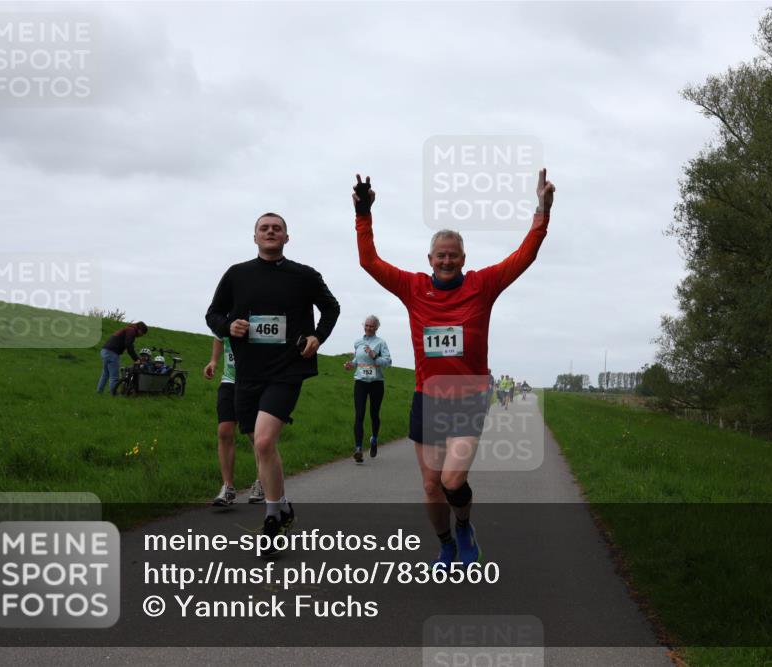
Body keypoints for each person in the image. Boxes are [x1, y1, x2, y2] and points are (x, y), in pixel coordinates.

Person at [354, 168, 555, 567]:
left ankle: (464, 526)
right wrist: (363, 213)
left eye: (454, 255)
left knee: (451, 480)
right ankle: (446, 543)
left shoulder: (483, 284)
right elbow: (368, 261)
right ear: (430, 259)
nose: (447, 260)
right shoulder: (412, 287)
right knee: (430, 486)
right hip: (427, 398)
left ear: (464, 259)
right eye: (440, 255)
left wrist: (541, 211)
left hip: (468, 398)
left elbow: (525, 254)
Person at [206, 212, 340, 549]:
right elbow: (213, 314)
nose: (270, 232)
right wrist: (227, 327)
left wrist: (317, 337)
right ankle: (282, 506)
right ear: (255, 238)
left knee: (264, 442)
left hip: (287, 369)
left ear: (286, 237)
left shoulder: (304, 275)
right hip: (246, 373)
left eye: (276, 228)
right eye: (264, 228)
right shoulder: (237, 275)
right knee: (260, 443)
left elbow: (331, 308)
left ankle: (270, 520)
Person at [204, 337, 264, 506]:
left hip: (253, 382)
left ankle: (261, 481)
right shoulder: (225, 316)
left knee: (256, 436)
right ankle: (228, 487)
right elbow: (218, 337)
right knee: (224, 431)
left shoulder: (257, 314)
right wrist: (214, 361)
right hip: (229, 381)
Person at [343, 315, 392, 462]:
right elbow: (357, 360)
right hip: (361, 382)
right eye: (367, 325)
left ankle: (374, 439)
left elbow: (388, 362)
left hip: (376, 383)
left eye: (372, 326)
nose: (369, 328)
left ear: (376, 328)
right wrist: (350, 365)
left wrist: (374, 355)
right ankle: (358, 449)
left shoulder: (381, 343)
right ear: (364, 326)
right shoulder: (358, 342)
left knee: (374, 414)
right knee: (359, 415)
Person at [97, 321, 148, 394]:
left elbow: (130, 346)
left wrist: (137, 358)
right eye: (142, 333)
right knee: (114, 377)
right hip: (112, 353)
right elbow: (129, 346)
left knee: (105, 374)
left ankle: (99, 392)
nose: (141, 335)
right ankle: (114, 394)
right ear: (140, 329)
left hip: (105, 351)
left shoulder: (128, 329)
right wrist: (136, 359)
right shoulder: (131, 331)